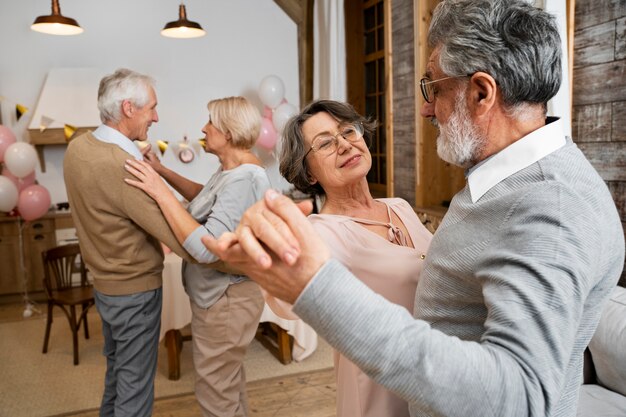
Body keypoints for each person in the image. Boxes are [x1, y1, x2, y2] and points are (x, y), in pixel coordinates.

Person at [202, 1, 626, 416]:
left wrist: (317, 285)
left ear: (481, 93)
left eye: (432, 87)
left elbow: (522, 398)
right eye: (325, 143)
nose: (425, 108)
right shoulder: (516, 186)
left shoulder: (546, 210)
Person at [273, 99, 432, 417]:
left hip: (434, 371)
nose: (344, 145)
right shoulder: (321, 232)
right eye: (326, 144)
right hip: (379, 389)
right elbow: (288, 300)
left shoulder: (399, 206)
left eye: (348, 131)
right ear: (309, 172)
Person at [123, 96, 270, 417]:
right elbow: (206, 197)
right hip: (222, 298)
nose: (203, 129)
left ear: (228, 132)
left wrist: (160, 193)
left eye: (210, 123)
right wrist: (161, 171)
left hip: (226, 299)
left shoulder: (245, 178)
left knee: (215, 391)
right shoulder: (233, 171)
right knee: (226, 383)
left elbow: (206, 247)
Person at [64, 68, 199, 417]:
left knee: (118, 375)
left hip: (106, 287)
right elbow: (179, 236)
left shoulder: (79, 147)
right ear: (128, 108)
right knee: (135, 390)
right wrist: (227, 253)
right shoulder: (122, 165)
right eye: (151, 108)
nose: (156, 116)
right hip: (135, 292)